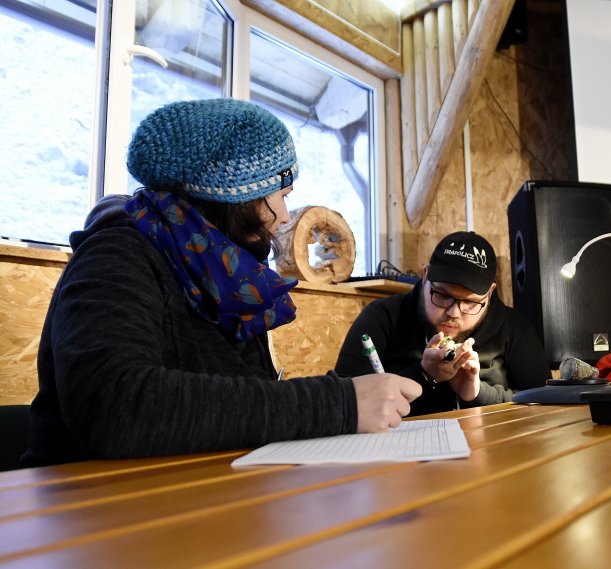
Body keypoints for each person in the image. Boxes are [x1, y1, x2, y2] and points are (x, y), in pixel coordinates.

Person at [22, 98, 420, 468]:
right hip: (84, 513)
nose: (284, 216)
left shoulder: (224, 273)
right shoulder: (117, 255)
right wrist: (340, 404)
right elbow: (113, 407)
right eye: (280, 195)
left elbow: (236, 403)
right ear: (236, 198)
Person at [334, 231, 550, 415]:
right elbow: (341, 400)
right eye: (443, 295)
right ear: (425, 275)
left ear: (490, 293)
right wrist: (424, 375)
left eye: (469, 302)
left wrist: (477, 393)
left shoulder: (514, 328)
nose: (454, 312)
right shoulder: (382, 317)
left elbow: (545, 402)